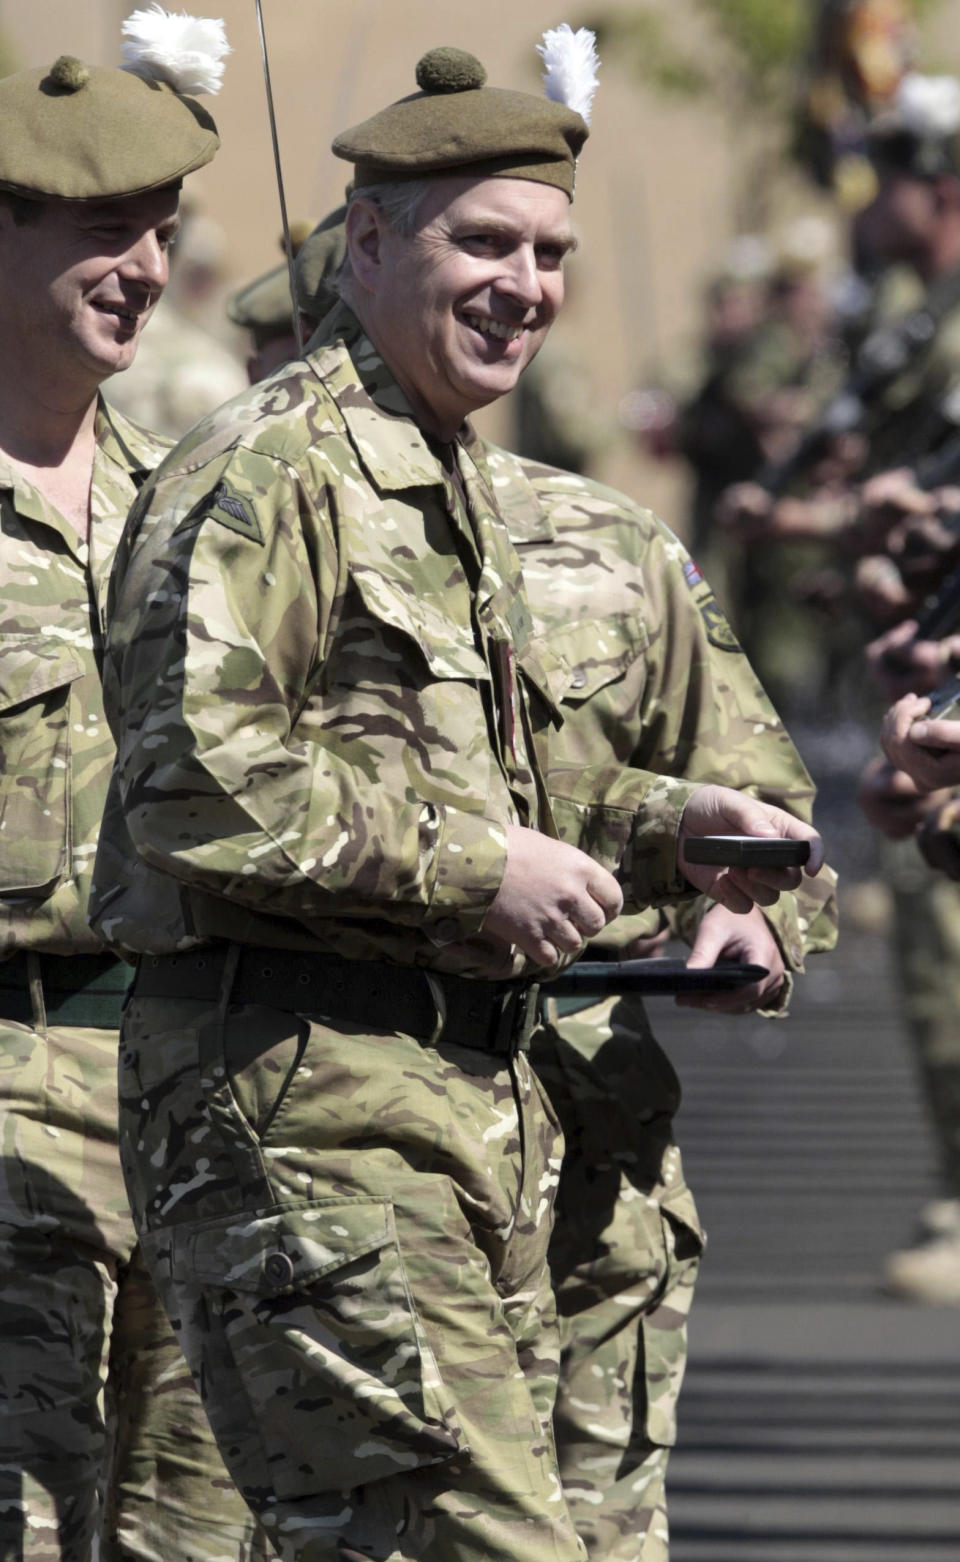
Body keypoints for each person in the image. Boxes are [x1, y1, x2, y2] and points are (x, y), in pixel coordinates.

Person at [89, 37, 823, 1561]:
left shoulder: (470, 493)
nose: (525, 285)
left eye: (549, 251)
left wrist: (678, 836)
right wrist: (476, 867)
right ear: (367, 245)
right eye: (482, 242)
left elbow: (521, 772)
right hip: (310, 1110)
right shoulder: (270, 471)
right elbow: (191, 777)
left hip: (478, 1121)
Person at [0, 13, 268, 1561]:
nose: (148, 269)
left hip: (191, 1100)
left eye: (161, 234)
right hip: (11, 1094)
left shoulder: (197, 501)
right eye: (108, 231)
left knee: (199, 1532)